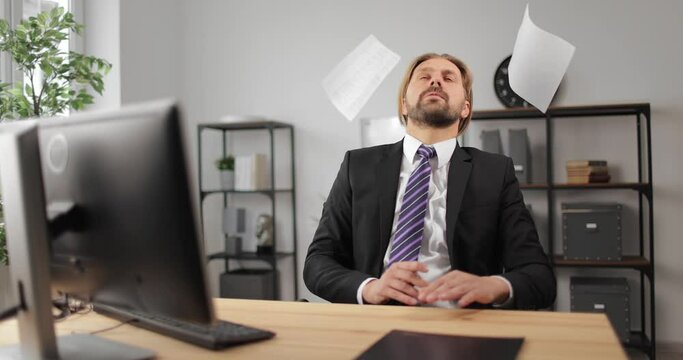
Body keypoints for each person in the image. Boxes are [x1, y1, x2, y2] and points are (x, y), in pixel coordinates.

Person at [304, 53, 555, 310]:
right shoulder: (357, 166)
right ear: (403, 104)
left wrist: (494, 286)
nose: (436, 81)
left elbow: (539, 277)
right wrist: (370, 288)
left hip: (462, 325)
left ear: (465, 107)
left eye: (448, 78)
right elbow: (318, 262)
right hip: (375, 320)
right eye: (425, 76)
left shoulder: (496, 172)